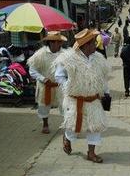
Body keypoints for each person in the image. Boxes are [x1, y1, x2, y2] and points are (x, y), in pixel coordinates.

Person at [54, 29, 111, 163]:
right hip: (75, 100)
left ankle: (91, 153)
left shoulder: (99, 59)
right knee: (73, 127)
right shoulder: (68, 59)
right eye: (92, 43)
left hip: (94, 100)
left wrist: (106, 92)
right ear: (85, 45)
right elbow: (59, 75)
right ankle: (67, 138)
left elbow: (103, 78)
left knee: (95, 126)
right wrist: (70, 85)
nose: (95, 45)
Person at [27, 31, 67, 134]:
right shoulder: (40, 54)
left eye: (58, 42)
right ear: (49, 42)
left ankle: (68, 126)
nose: (56, 44)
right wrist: (43, 79)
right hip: (45, 85)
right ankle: (45, 124)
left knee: (65, 105)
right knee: (43, 105)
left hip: (61, 85)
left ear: (61, 42)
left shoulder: (66, 54)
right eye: (53, 42)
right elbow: (32, 70)